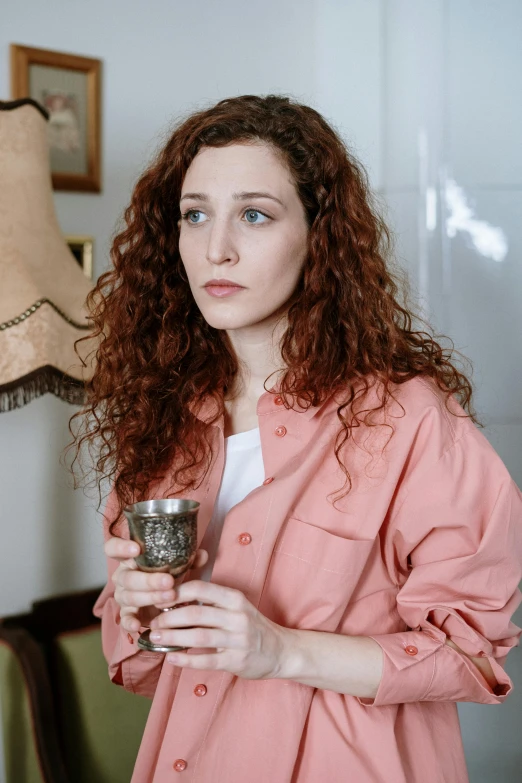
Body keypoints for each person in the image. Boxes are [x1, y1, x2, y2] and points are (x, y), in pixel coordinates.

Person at [68, 94, 522, 782]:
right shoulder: (164, 424)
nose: (216, 247)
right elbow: (138, 665)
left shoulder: (409, 418)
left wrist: (280, 649)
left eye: (254, 214)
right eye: (195, 214)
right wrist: (139, 612)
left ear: (320, 235)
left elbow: (474, 655)